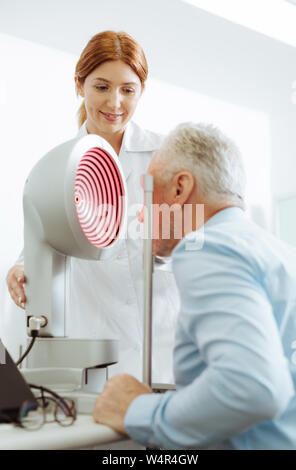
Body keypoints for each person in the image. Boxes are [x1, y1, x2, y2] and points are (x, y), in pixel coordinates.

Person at [93, 122, 296, 450]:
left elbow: (254, 387)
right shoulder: (284, 255)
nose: (142, 218)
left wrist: (138, 411)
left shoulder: (207, 247)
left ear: (179, 189)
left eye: (148, 195)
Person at [6, 31, 179, 383]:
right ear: (79, 85)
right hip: (102, 357)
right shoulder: (58, 167)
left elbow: (195, 240)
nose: (115, 103)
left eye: (127, 90)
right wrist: (20, 269)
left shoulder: (169, 157)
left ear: (140, 91)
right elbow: (42, 236)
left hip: (168, 350)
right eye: (101, 87)